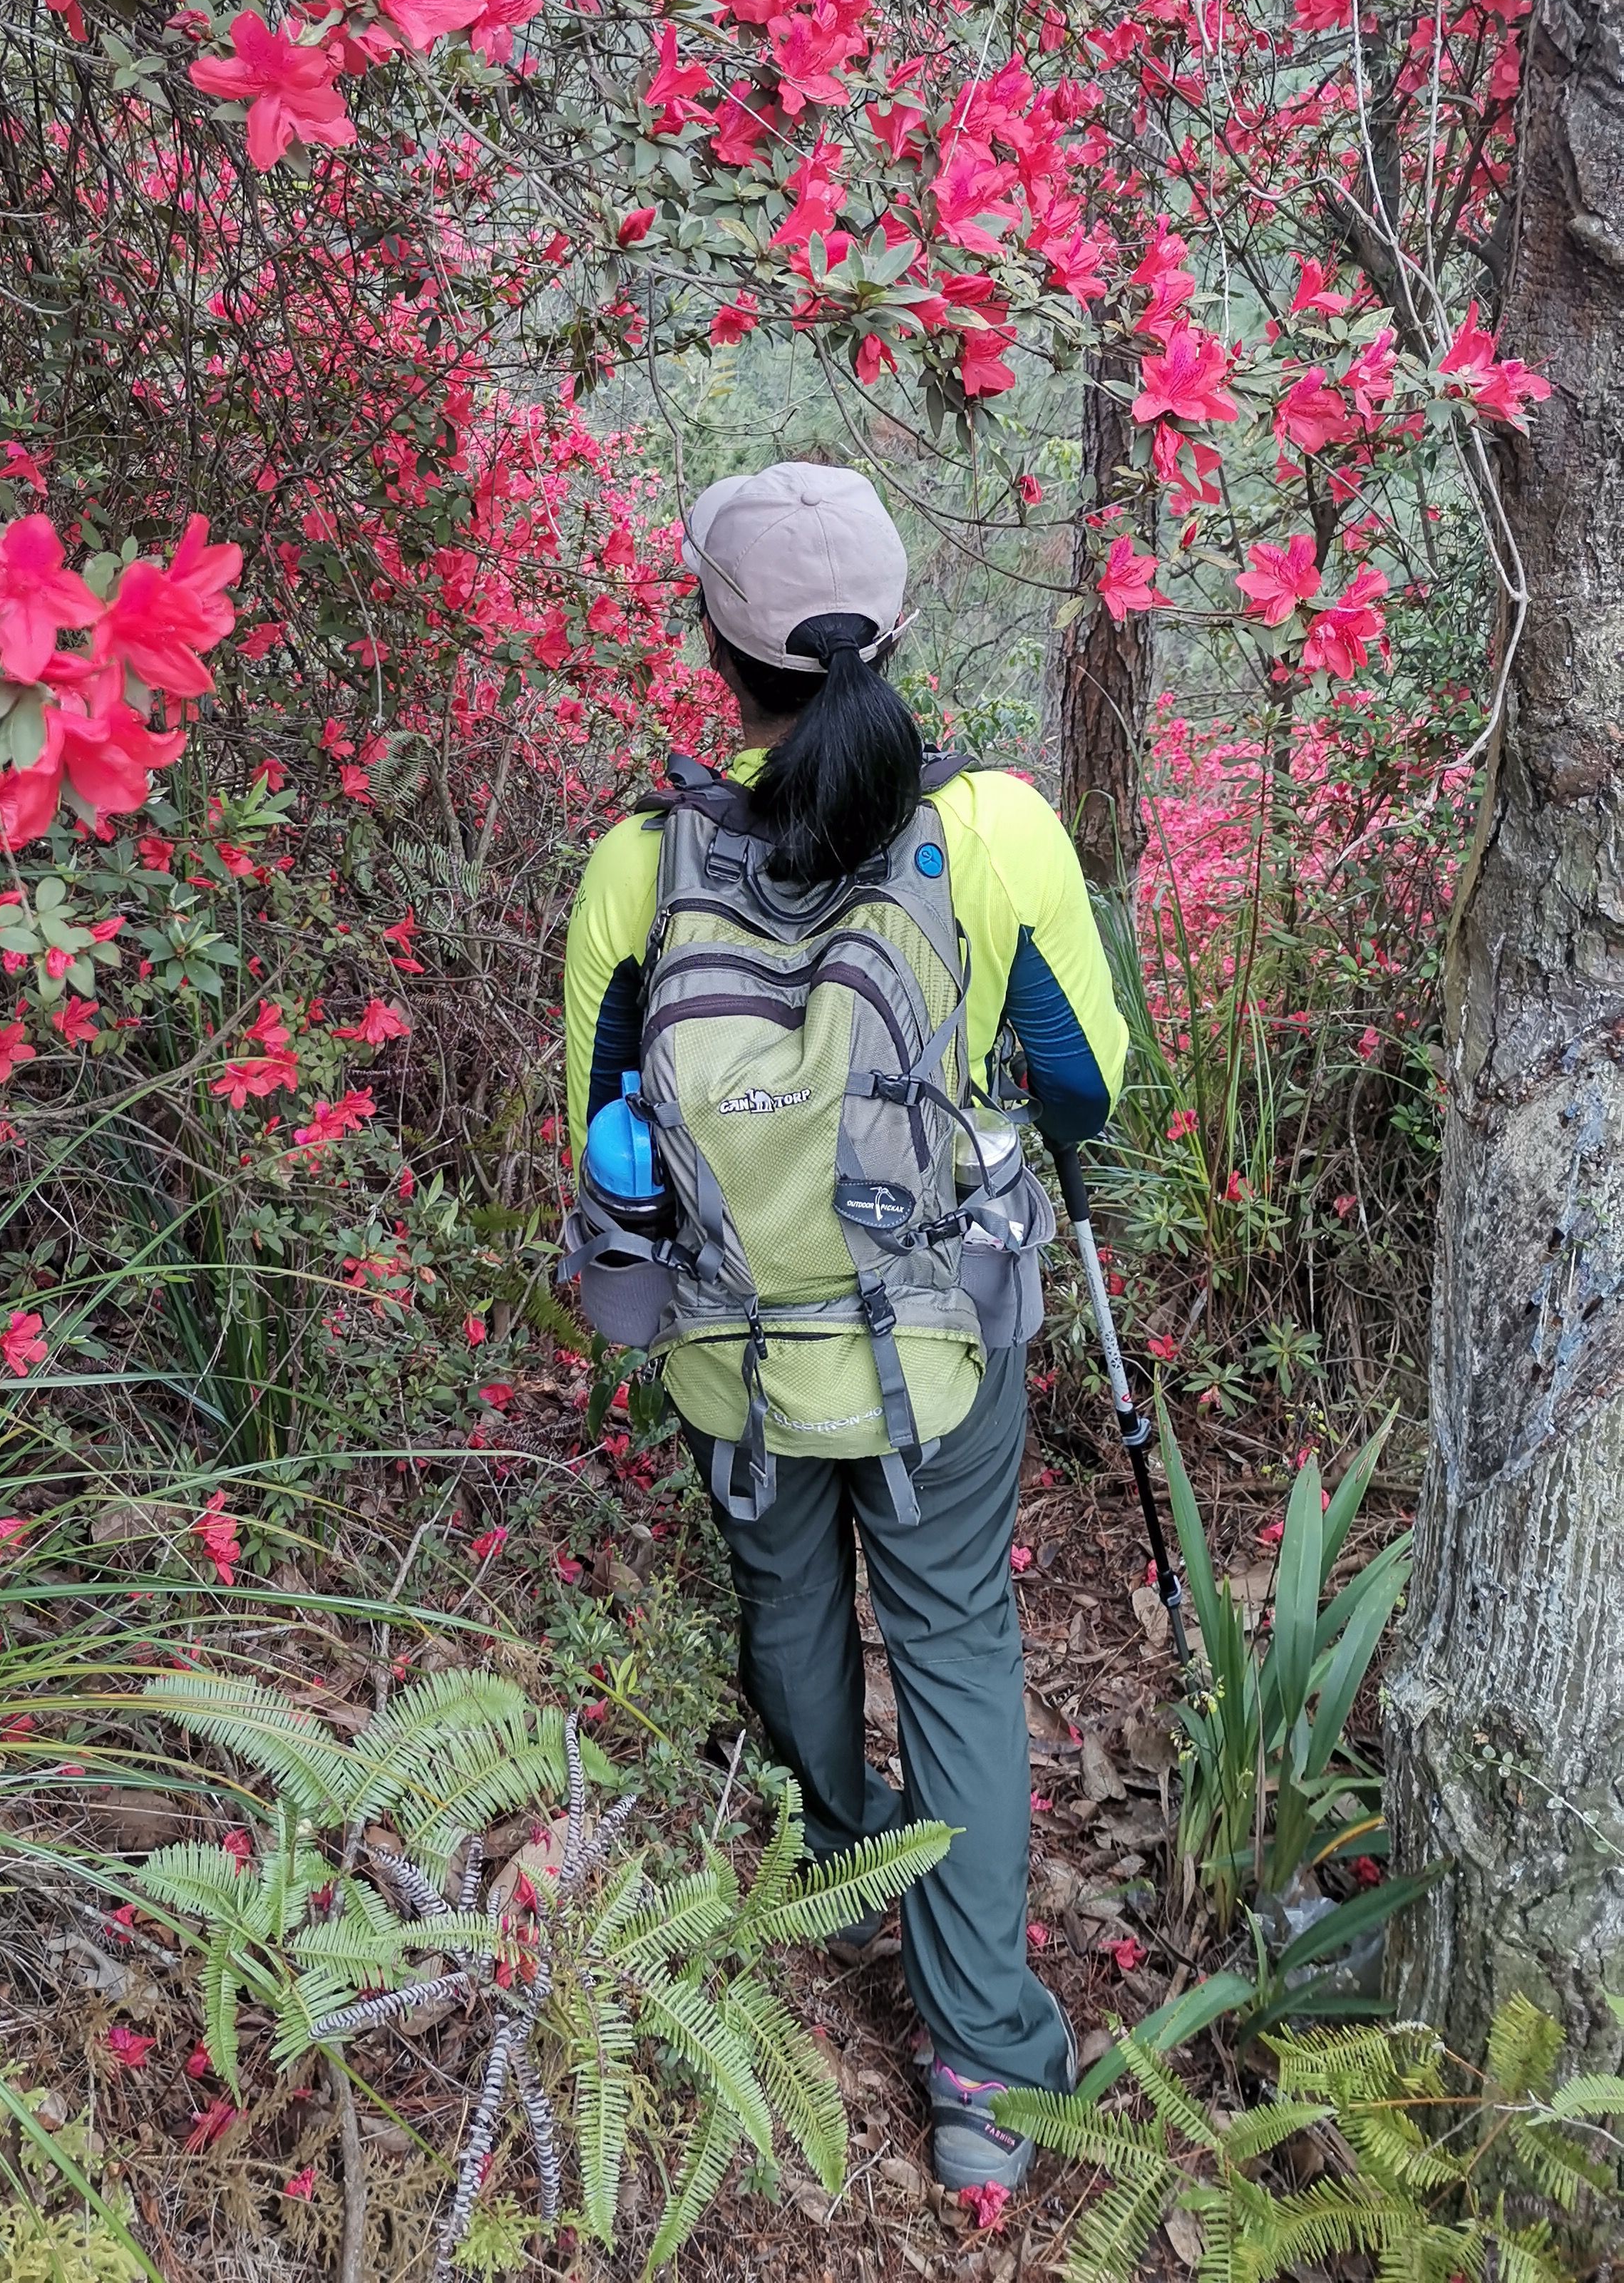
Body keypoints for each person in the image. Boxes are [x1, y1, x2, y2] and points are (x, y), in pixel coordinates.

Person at [562, 461, 1128, 2195]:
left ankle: (835, 1853)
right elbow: (1083, 1083)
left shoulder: (637, 870)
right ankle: (982, 2069)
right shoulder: (1000, 830)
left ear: (716, 655)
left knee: (787, 1602)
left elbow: (608, 1155)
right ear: (890, 638)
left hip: (736, 1365)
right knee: (954, 1641)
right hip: (938, 1351)